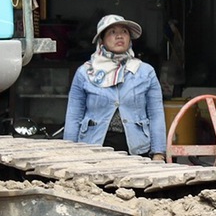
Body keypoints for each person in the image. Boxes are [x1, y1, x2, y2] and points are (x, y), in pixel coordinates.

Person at [63, 15, 167, 162]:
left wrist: (158, 153)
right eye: (112, 32)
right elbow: (74, 115)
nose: (119, 36)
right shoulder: (85, 72)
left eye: (124, 31)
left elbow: (156, 114)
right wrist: (69, 152)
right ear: (102, 40)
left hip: (136, 149)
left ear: (130, 39)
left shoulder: (145, 72)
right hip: (93, 148)